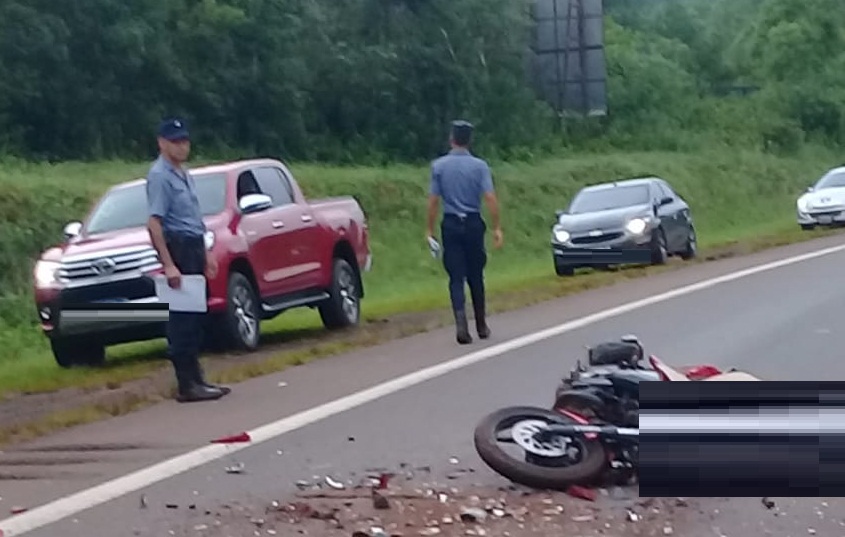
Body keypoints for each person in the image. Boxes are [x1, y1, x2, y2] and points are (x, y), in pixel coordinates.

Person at [145, 117, 231, 402]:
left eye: (184, 141)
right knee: (182, 317)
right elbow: (155, 223)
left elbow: (194, 217)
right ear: (162, 143)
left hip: (193, 244)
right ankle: (186, 384)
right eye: (175, 142)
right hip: (178, 246)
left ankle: (197, 380)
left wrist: (206, 252)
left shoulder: (183, 173)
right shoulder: (160, 176)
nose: (182, 147)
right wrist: (169, 263)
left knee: (195, 316)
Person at [426, 120, 503, 345]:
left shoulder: (438, 166)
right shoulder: (480, 166)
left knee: (455, 276)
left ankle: (461, 323)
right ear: (470, 141)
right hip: (472, 223)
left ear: (452, 139)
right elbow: (490, 197)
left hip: (450, 223)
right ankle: (481, 324)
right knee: (476, 275)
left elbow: (433, 201)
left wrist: (429, 229)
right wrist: (497, 226)